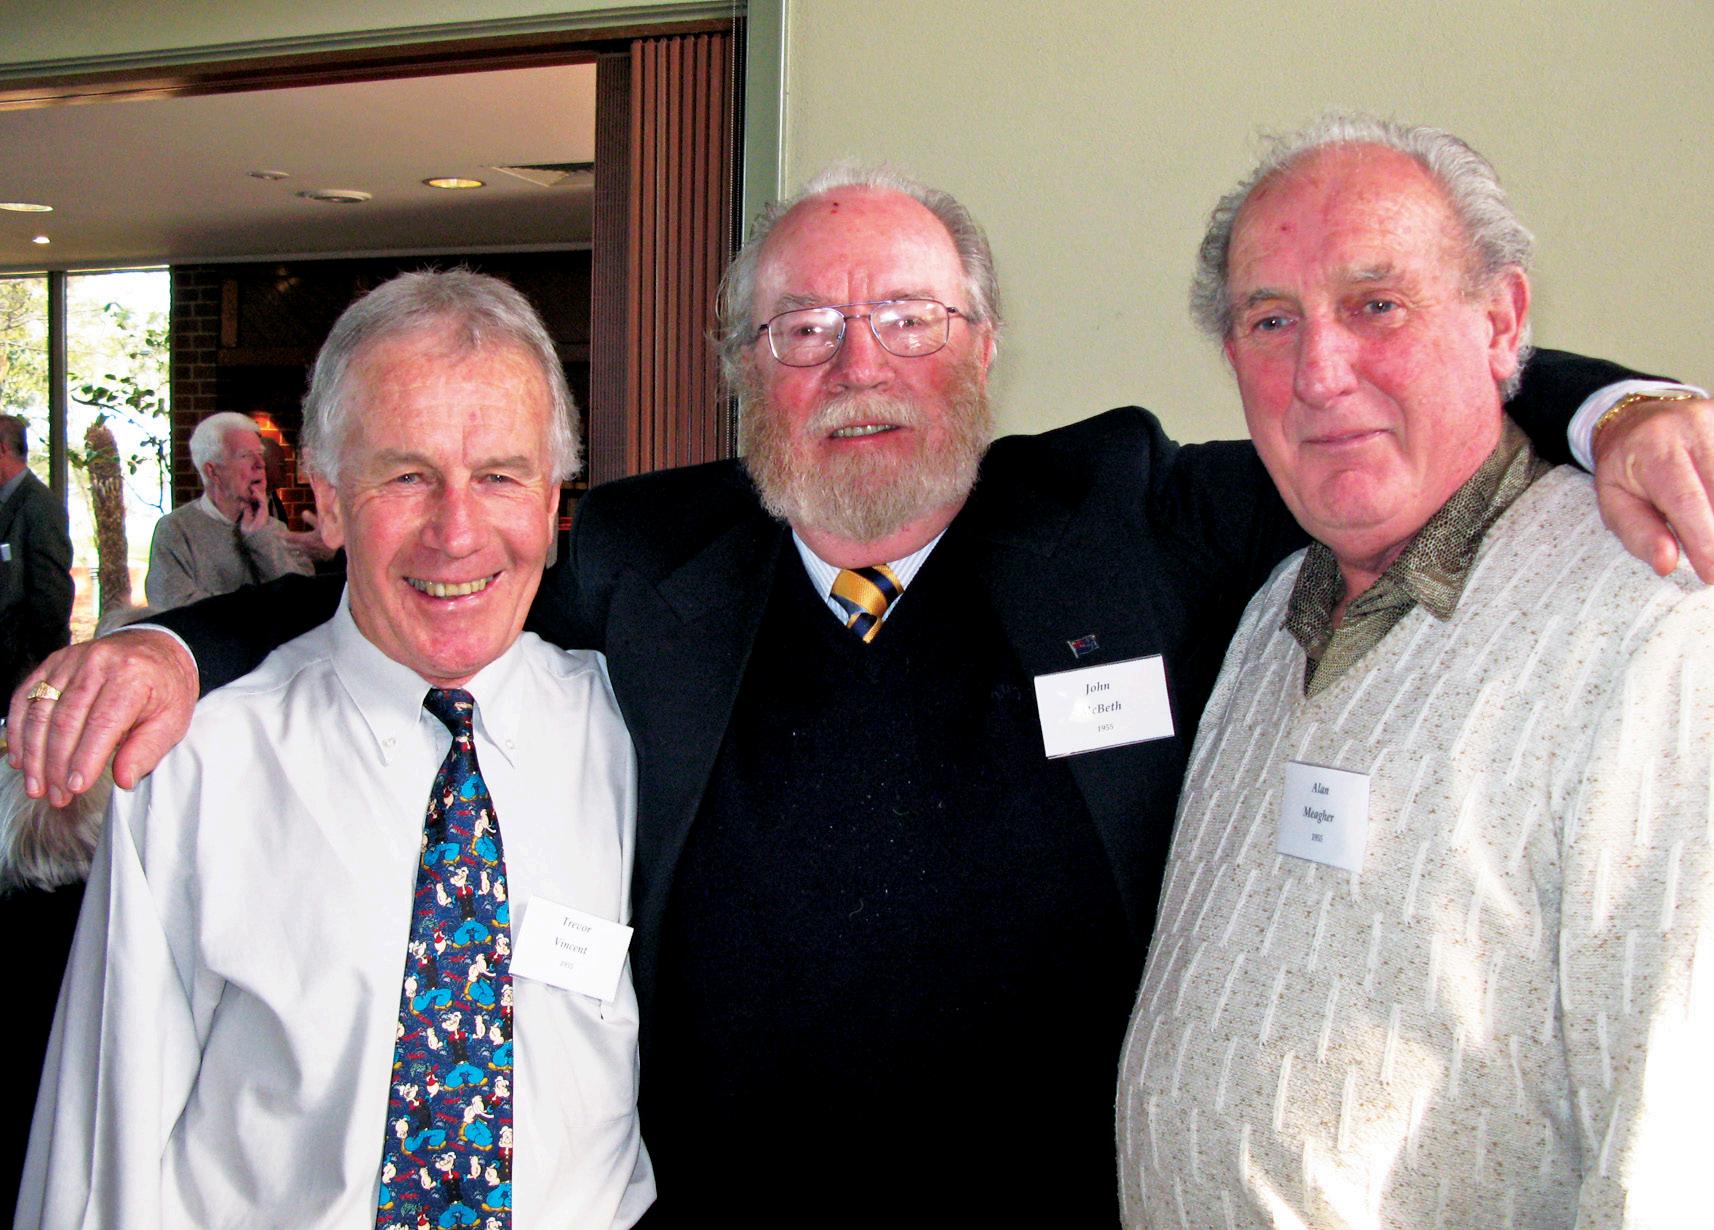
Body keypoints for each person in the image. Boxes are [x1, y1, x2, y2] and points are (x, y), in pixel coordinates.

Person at [9, 168, 1714, 1225]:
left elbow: (1365, 404)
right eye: (802, 330)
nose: (857, 366)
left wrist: (1610, 408)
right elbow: (425, 571)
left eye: (907, 316)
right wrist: (177, 648)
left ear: (981, 344)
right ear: (739, 372)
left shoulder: (1125, 513)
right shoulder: (651, 561)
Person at [1116, 114, 1712, 1227]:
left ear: (1503, 321)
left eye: (1376, 305)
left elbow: (1674, 1145)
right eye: (1271, 321)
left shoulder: (1651, 622)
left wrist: (1625, 405)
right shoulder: (1267, 613)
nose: (1319, 372)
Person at [18, 271, 653, 1227]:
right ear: (326, 497)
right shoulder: (198, 766)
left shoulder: (630, 731)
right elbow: (104, 1149)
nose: (457, 532)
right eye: (406, 476)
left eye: (500, 476)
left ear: (553, 498)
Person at [143, 410, 314, 610]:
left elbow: (304, 599)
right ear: (213, 472)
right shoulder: (176, 530)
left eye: (260, 454)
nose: (260, 464)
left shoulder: (275, 529)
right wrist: (263, 608)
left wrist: (260, 537)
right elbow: (174, 608)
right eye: (245, 455)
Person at [0, 415, 72, 699]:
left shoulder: (39, 504)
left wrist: (40, 670)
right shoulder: (9, 501)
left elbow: (51, 593)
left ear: (3, 449)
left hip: (20, 669)